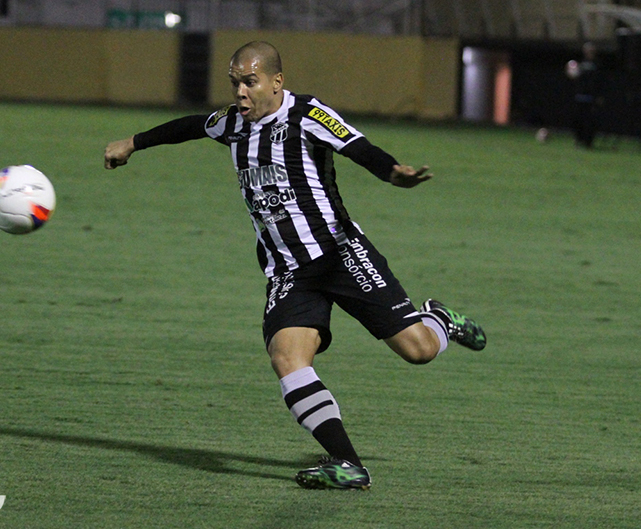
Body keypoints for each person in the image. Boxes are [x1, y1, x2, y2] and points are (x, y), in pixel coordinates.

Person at [104, 41, 486, 490]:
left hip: (341, 255)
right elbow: (190, 125)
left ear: (276, 82)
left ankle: (439, 320)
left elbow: (357, 147)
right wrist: (133, 143)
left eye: (250, 82)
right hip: (288, 270)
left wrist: (391, 172)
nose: (240, 92)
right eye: (235, 83)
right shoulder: (232, 123)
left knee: (418, 350)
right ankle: (347, 464)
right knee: (286, 358)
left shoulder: (307, 115)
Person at [567, 41, 600, 148]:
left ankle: (588, 142)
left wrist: (598, 95)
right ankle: (578, 140)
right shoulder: (580, 64)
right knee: (578, 120)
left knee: (589, 121)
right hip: (580, 96)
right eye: (587, 50)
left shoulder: (597, 64)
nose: (589, 52)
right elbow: (575, 77)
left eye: (591, 50)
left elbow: (599, 81)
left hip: (591, 97)